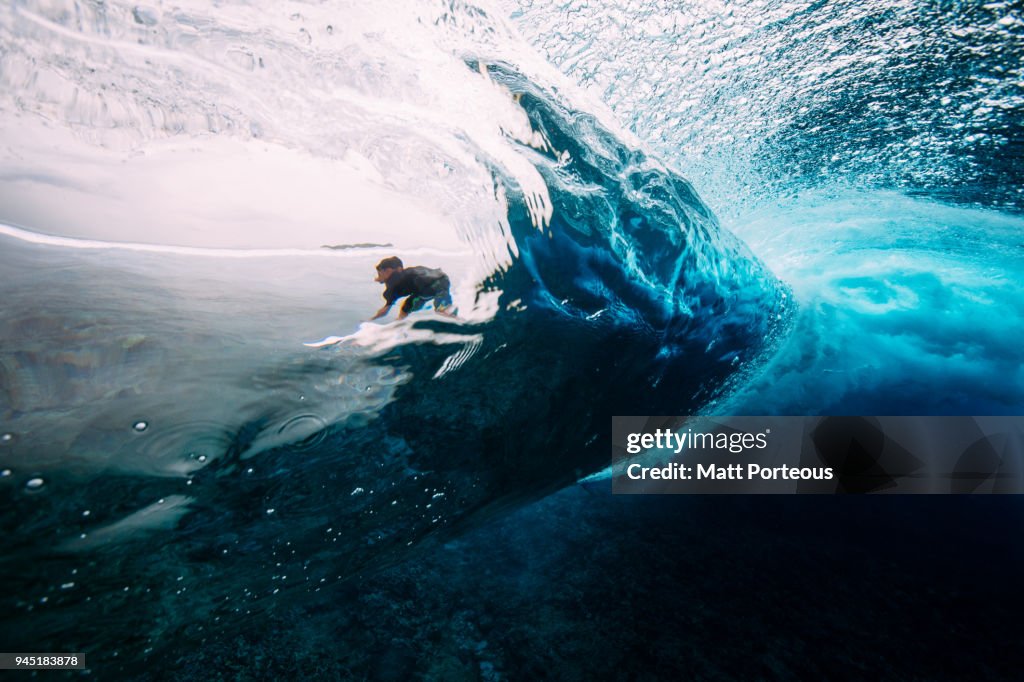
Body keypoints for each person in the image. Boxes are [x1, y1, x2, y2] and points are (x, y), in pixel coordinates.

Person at [371, 256, 455, 320]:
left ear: (399, 269)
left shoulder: (396, 281)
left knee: (440, 309)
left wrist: (371, 319)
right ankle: (399, 324)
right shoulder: (395, 283)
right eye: (380, 273)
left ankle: (450, 314)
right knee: (406, 307)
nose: (381, 274)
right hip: (431, 285)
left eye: (384, 271)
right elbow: (385, 309)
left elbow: (385, 310)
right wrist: (372, 319)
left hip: (436, 283)